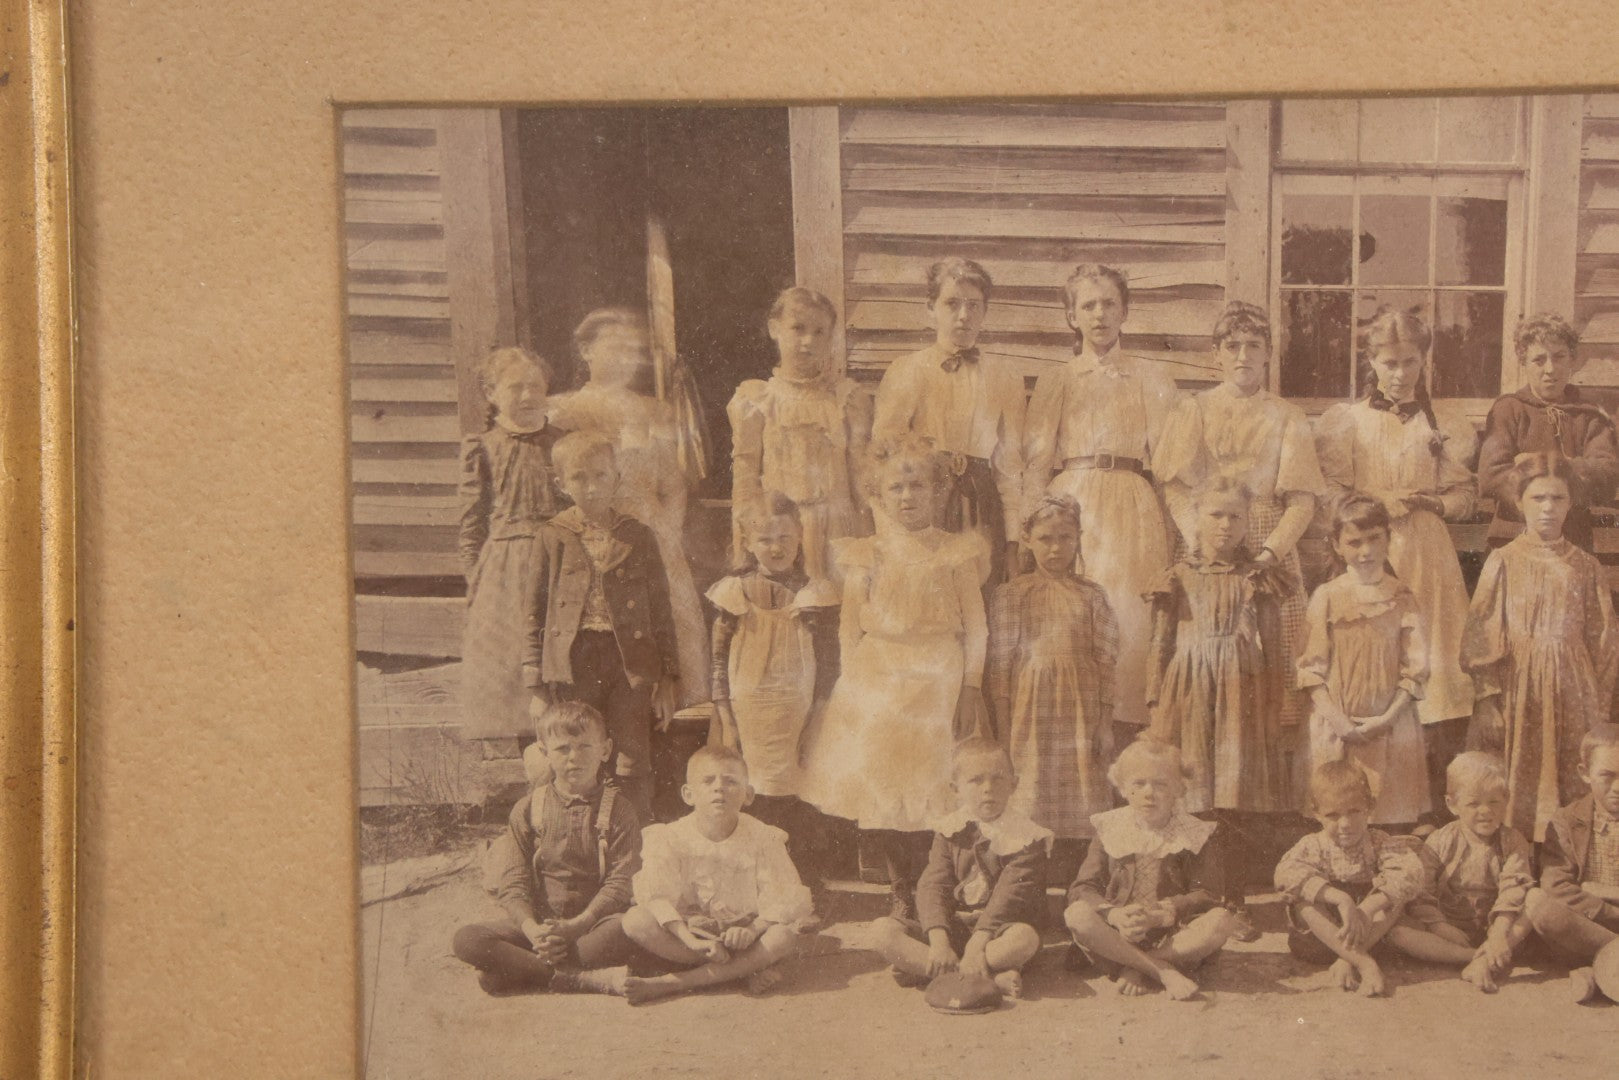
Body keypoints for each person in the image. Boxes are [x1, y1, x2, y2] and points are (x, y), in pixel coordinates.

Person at [799, 435, 990, 921]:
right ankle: (901, 888)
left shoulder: (956, 551)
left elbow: (977, 624)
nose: (908, 497)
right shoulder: (866, 553)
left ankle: (935, 886)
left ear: (938, 492)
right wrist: (854, 690)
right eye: (896, 488)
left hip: (937, 674)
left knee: (931, 781)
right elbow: (848, 627)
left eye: (918, 486)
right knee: (882, 786)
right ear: (878, 497)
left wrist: (971, 685)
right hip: (879, 672)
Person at [1315, 308, 1478, 809]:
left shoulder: (1441, 422)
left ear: (1424, 360)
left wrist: (1430, 502)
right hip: (1369, 553)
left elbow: (1464, 497)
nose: (1400, 372)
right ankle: (1371, 797)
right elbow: (1333, 495)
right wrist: (1370, 509)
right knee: (1374, 660)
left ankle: (1428, 801)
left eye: (1410, 362)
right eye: (1389, 362)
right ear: (1370, 360)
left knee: (1433, 658)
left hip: (1426, 552)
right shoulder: (1349, 421)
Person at [1154, 301, 1326, 743]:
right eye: (1232, 346)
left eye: (1253, 345)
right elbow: (1175, 487)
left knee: (1276, 651)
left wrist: (1269, 554)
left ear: (1269, 354)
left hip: (1268, 540)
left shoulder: (1286, 416)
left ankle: (1274, 768)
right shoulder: (1194, 409)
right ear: (1217, 354)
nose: (1243, 356)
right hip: (1209, 538)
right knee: (1206, 648)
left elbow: (1302, 500)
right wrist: (1199, 538)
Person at [1024, 263, 1181, 730]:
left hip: (1131, 502)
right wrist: (1027, 528)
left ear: (1125, 311)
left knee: (1129, 614)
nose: (1099, 314)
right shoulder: (1059, 379)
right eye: (1087, 305)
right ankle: (1072, 727)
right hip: (1072, 500)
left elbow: (1169, 463)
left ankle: (1126, 730)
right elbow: (1036, 460)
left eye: (1109, 303)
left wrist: (1175, 533)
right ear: (1071, 316)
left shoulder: (1149, 377)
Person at [548, 307, 710, 707]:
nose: (628, 358)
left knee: (666, 628)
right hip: (592, 533)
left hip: (652, 532)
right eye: (615, 348)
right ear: (586, 350)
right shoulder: (562, 410)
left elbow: (673, 485)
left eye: (635, 351)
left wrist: (667, 535)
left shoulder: (656, 411)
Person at [1463, 453, 1619, 843]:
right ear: (1520, 502)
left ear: (1570, 504)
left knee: (1572, 783)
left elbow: (1604, 643)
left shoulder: (1586, 567)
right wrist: (1487, 698)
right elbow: (1480, 636)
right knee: (1517, 783)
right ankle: (1518, 863)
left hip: (1574, 692)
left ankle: (1569, 863)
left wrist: (1597, 708)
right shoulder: (1503, 561)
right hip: (1520, 691)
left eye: (1558, 499)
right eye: (1537, 499)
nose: (1548, 508)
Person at [523, 432, 677, 820]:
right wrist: (537, 686)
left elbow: (661, 610)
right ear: (561, 484)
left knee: (630, 757)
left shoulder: (637, 536)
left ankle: (633, 846)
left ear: (617, 478)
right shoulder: (552, 536)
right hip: (574, 662)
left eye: (600, 476)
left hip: (629, 664)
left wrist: (668, 679)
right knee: (577, 754)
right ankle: (580, 839)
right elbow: (533, 611)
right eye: (578, 478)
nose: (591, 487)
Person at [451, 703, 643, 995]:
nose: (574, 758)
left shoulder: (620, 810)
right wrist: (532, 930)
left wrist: (578, 925)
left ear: (605, 750)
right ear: (544, 753)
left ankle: (519, 970)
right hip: (540, 927)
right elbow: (513, 881)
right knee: (467, 939)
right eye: (563, 749)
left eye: (584, 746)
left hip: (592, 926)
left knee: (629, 929)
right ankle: (579, 979)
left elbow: (620, 883)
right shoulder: (529, 808)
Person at [707, 491, 839, 908]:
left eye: (785, 537)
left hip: (798, 709)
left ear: (801, 537)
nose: (776, 547)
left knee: (799, 794)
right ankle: (757, 888)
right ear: (747, 541)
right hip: (748, 710)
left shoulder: (816, 593)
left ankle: (804, 886)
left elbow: (829, 664)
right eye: (765, 540)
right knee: (755, 794)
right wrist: (726, 718)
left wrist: (819, 715)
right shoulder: (734, 592)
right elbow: (717, 661)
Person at [872, 257, 1028, 594]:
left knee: (977, 597)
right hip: (925, 502)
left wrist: (1013, 540)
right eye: (952, 303)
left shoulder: (1006, 376)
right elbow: (884, 459)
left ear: (985, 311)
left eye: (974, 305)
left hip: (981, 504)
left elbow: (1010, 465)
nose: (963, 315)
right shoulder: (907, 370)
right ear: (931, 308)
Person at [620, 744, 812, 1005]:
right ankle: (740, 972)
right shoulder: (670, 837)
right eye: (708, 781)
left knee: (783, 937)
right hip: (692, 936)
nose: (719, 788)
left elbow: (782, 893)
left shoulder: (763, 836)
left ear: (748, 795)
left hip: (745, 934)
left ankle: (670, 983)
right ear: (688, 794)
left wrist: (752, 931)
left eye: (731, 781)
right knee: (635, 920)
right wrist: (693, 941)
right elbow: (657, 896)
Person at [986, 494, 1118, 861]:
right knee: (1031, 784)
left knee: (1082, 785)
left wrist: (1105, 723)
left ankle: (1080, 871)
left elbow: (1106, 661)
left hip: (1081, 706)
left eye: (1065, 538)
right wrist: (1002, 728)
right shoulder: (1013, 594)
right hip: (1029, 708)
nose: (1056, 548)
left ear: (1078, 538)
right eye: (1045, 539)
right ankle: (1029, 869)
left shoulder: (1092, 595)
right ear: (1028, 539)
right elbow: (1000, 665)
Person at [1062, 738, 1241, 1001]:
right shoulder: (1110, 828)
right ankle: (1162, 971)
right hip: (1119, 933)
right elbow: (1082, 888)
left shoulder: (1196, 834)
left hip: (1171, 935)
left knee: (1222, 919)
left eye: (1160, 784)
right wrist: (1115, 915)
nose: (1149, 792)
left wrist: (1160, 915)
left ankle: (1137, 966)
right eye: (1139, 783)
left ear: (1180, 789)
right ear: (1123, 789)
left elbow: (1208, 894)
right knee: (1077, 914)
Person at [873, 737, 1049, 1000]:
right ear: (956, 789)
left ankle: (934, 972)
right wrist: (939, 942)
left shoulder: (1026, 836)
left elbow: (1008, 898)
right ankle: (987, 977)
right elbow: (934, 884)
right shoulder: (950, 830)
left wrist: (978, 945)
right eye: (976, 781)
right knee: (881, 932)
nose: (988, 789)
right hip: (955, 928)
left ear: (1014, 784)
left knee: (1024, 939)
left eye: (998, 779)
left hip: (998, 932)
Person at [1297, 493, 1430, 827]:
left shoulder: (1402, 597)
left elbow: (1415, 669)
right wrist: (1339, 722)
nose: (1366, 551)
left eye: (1374, 539)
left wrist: (1386, 719)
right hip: (1337, 727)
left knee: (1388, 815)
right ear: (1338, 546)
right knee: (1339, 809)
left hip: (1390, 725)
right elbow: (1310, 670)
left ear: (1389, 537)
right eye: (1354, 543)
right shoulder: (1326, 596)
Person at [458, 346, 568, 740]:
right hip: (504, 572)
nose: (527, 396)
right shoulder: (483, 447)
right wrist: (477, 578)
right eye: (516, 387)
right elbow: (472, 522)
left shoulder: (563, 443)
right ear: (491, 393)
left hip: (558, 561)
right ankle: (526, 762)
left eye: (536, 386)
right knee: (511, 668)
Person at [728, 286, 872, 585]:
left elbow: (861, 477)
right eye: (798, 328)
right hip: (781, 534)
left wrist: (871, 538)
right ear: (774, 329)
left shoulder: (846, 398)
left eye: (820, 332)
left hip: (837, 530)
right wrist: (744, 542)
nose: (808, 341)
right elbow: (744, 477)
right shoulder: (757, 399)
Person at [1274, 759, 1427, 997]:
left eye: (1354, 811)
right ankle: (1365, 963)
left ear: (1370, 806)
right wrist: (1339, 898)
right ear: (1317, 814)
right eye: (1333, 815)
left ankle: (1349, 959)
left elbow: (1411, 872)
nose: (1345, 824)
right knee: (1302, 902)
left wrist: (1367, 908)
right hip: (1320, 941)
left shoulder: (1379, 841)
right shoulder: (1313, 844)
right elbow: (1284, 874)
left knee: (1396, 899)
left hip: (1371, 934)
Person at [1476, 313, 1619, 550]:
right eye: (1539, 360)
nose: (1550, 369)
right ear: (1524, 363)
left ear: (1572, 359)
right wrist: (1569, 475)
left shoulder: (1589, 415)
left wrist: (1535, 463)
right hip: (1513, 537)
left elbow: (1606, 476)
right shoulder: (1508, 410)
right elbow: (1491, 478)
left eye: (1559, 357)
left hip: (1572, 540)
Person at [1397, 752, 1536, 993]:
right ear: (1452, 804)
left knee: (1537, 901)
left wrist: (1499, 934)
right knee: (1398, 932)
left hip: (1501, 930)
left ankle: (1488, 956)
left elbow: (1513, 890)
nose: (1485, 811)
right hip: (1450, 931)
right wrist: (1440, 926)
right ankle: (1472, 957)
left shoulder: (1513, 841)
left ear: (1507, 798)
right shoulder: (1439, 840)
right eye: (1473, 803)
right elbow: (1422, 891)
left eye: (1494, 802)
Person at [1525, 724, 1619, 1002]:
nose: (1618, 788)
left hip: (1597, 916)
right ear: (1584, 774)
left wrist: (1605, 890)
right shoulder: (1566, 820)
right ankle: (1608, 962)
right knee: (1540, 905)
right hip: (1592, 927)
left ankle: (1595, 974)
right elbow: (1557, 887)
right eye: (1607, 776)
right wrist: (1609, 910)